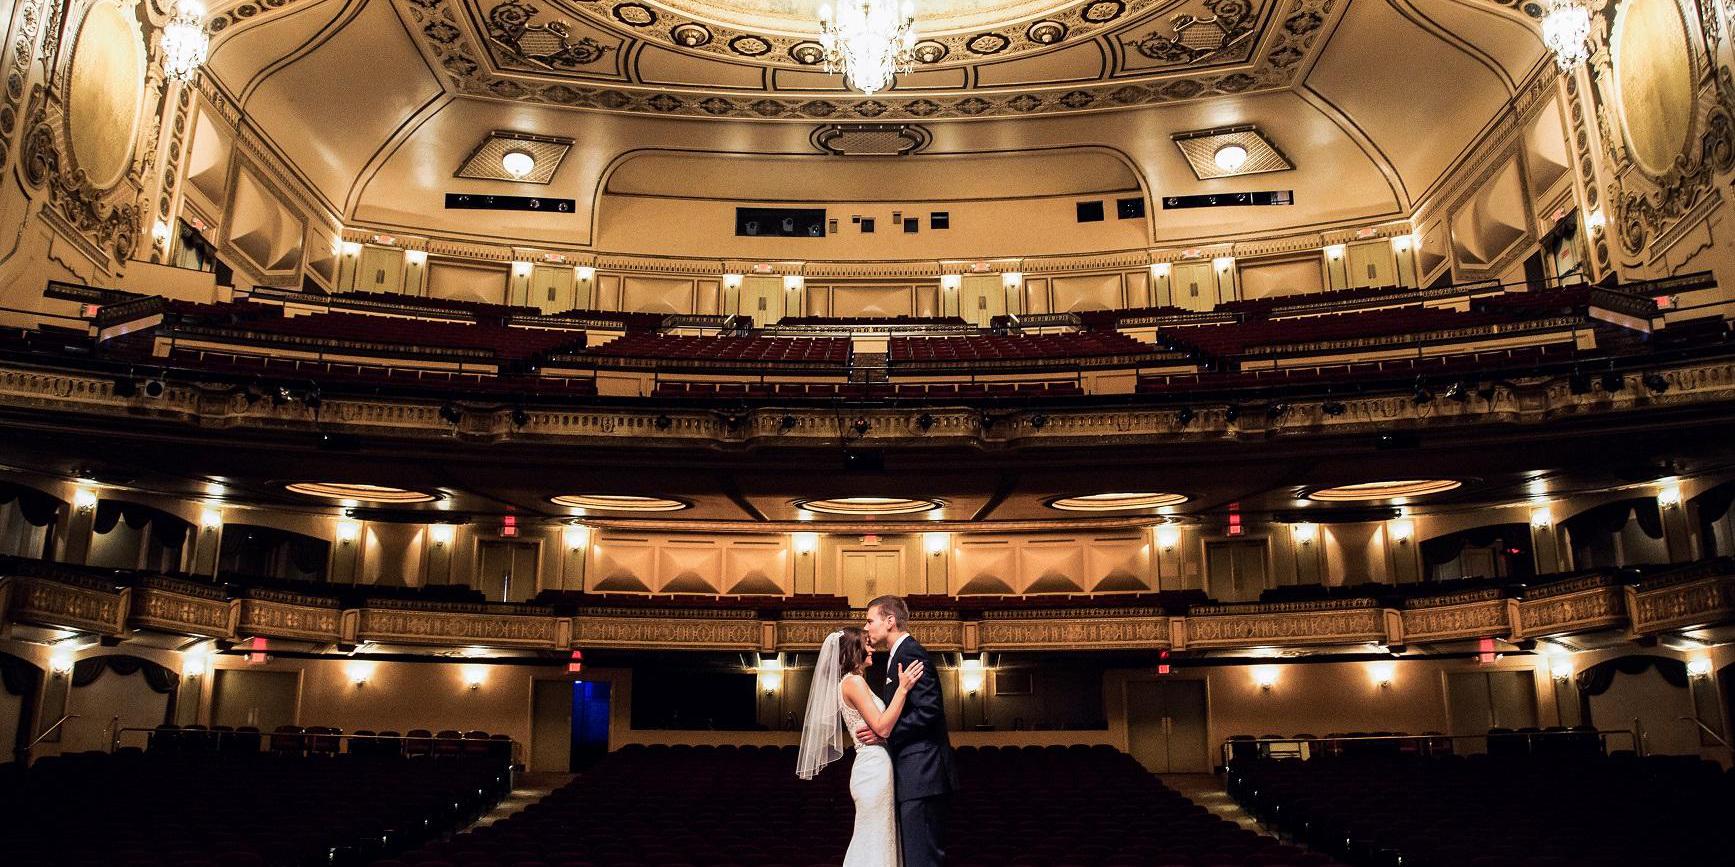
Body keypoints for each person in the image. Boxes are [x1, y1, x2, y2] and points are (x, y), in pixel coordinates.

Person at [797, 626, 924, 867]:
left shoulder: (855, 682)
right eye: (866, 644)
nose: (871, 648)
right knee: (872, 837)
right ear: (854, 649)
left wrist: (884, 735)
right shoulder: (853, 682)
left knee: (878, 835)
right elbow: (882, 727)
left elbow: (881, 731)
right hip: (872, 767)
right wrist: (903, 689)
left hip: (876, 764)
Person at [858, 594, 958, 867]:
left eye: (870, 620)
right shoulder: (896, 655)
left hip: (922, 772)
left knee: (922, 859)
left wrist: (884, 733)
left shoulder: (909, 652)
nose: (866, 628)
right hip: (914, 775)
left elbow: (928, 711)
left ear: (890, 621)